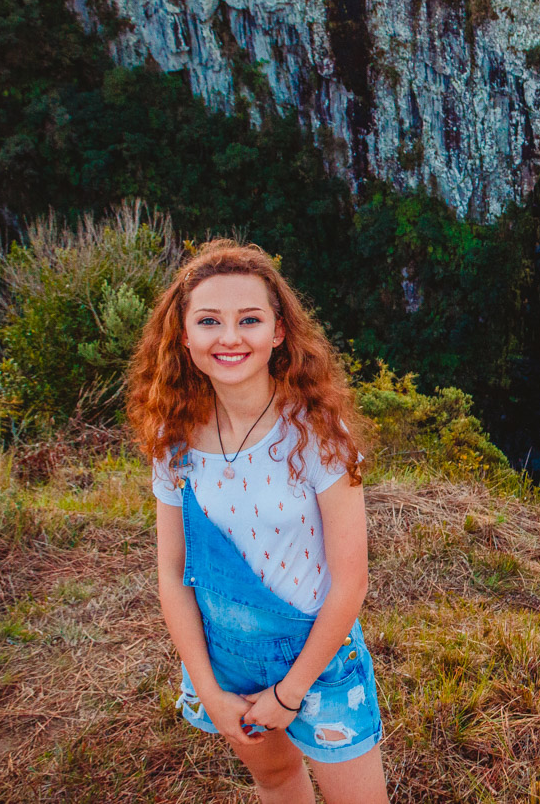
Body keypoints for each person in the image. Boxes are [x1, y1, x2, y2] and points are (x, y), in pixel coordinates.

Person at [127, 239, 389, 804]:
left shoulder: (316, 435)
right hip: (226, 657)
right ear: (183, 336)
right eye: (209, 321)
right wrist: (208, 689)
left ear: (278, 332)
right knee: (274, 780)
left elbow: (352, 582)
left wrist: (291, 692)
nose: (229, 337)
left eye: (249, 319)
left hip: (317, 661)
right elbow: (172, 573)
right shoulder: (173, 441)